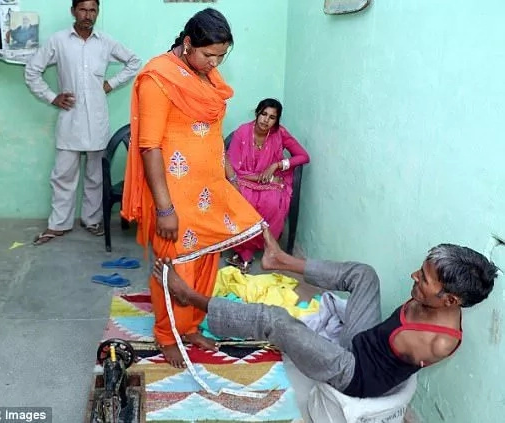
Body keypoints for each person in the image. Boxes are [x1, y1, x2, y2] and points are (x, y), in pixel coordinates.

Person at [153, 225, 498, 397]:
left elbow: (371, 356)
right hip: (363, 341)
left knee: (279, 322)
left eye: (424, 279)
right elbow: (379, 334)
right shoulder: (434, 301)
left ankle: (193, 299)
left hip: (353, 373)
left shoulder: (437, 342)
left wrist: (316, 339)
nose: (414, 277)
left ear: (451, 300)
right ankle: (282, 260)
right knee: (365, 274)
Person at [121, 8, 264, 368]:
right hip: (172, 193)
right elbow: (150, 145)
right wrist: (165, 208)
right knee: (174, 266)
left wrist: (227, 167)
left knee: (205, 263)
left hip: (208, 188)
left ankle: (190, 325)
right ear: (187, 44)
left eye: (221, 56)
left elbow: (212, 130)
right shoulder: (158, 78)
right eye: (208, 54)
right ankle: (167, 334)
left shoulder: (205, 76)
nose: (214, 63)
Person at [25, 0, 141, 244]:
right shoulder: (58, 40)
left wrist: (111, 83)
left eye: (93, 10)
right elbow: (32, 71)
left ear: (97, 13)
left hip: (97, 120)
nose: (88, 15)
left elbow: (134, 62)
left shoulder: (106, 42)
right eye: (83, 9)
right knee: (63, 175)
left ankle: (92, 221)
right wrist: (52, 97)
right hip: (70, 120)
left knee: (95, 176)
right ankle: (58, 225)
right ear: (73, 11)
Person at [225, 98, 310, 273]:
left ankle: (259, 248)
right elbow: (233, 168)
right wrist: (264, 179)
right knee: (243, 200)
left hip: (269, 182)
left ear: (276, 121)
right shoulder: (242, 132)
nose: (266, 120)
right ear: (257, 114)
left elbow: (303, 156)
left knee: (273, 201)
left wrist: (277, 165)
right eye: (263, 114)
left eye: (272, 117)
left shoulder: (280, 133)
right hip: (243, 179)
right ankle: (243, 250)